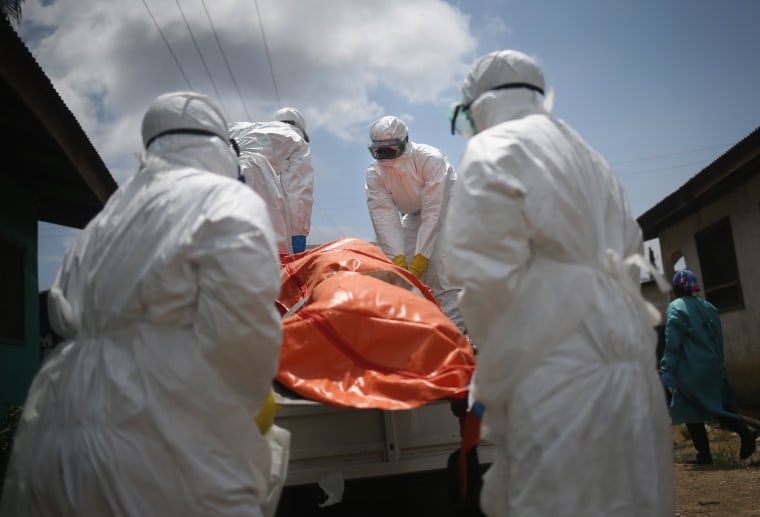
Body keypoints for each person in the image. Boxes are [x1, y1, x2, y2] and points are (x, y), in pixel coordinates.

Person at [0, 91, 284, 517]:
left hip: (62, 409)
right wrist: (248, 402)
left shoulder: (109, 215)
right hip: (160, 416)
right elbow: (241, 329)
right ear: (220, 145)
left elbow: (61, 308)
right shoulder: (226, 200)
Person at [442, 49, 675, 515]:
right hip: (630, 358)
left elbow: (488, 282)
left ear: (478, 106)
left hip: (557, 371)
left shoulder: (493, 149)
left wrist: (489, 380)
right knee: (634, 499)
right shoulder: (590, 157)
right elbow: (630, 252)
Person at [365, 115, 464, 333]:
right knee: (402, 273)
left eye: (391, 150)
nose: (385, 157)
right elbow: (384, 217)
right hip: (412, 216)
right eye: (379, 151)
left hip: (448, 212)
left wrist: (422, 257)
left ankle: (454, 335)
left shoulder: (430, 159)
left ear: (404, 143)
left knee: (441, 268)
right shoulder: (375, 173)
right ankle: (423, 329)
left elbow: (434, 211)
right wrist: (397, 258)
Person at [660, 269, 758, 465]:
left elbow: (673, 343)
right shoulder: (708, 307)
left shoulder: (676, 308)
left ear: (676, 288)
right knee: (714, 405)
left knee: (689, 407)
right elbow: (718, 339)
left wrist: (666, 368)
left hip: (690, 370)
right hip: (712, 367)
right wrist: (719, 365)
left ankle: (730, 440)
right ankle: (711, 451)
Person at [229, 107, 314, 253]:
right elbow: (298, 192)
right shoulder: (297, 140)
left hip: (216, 170)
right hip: (252, 176)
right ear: (301, 129)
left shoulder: (244, 127)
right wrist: (297, 236)